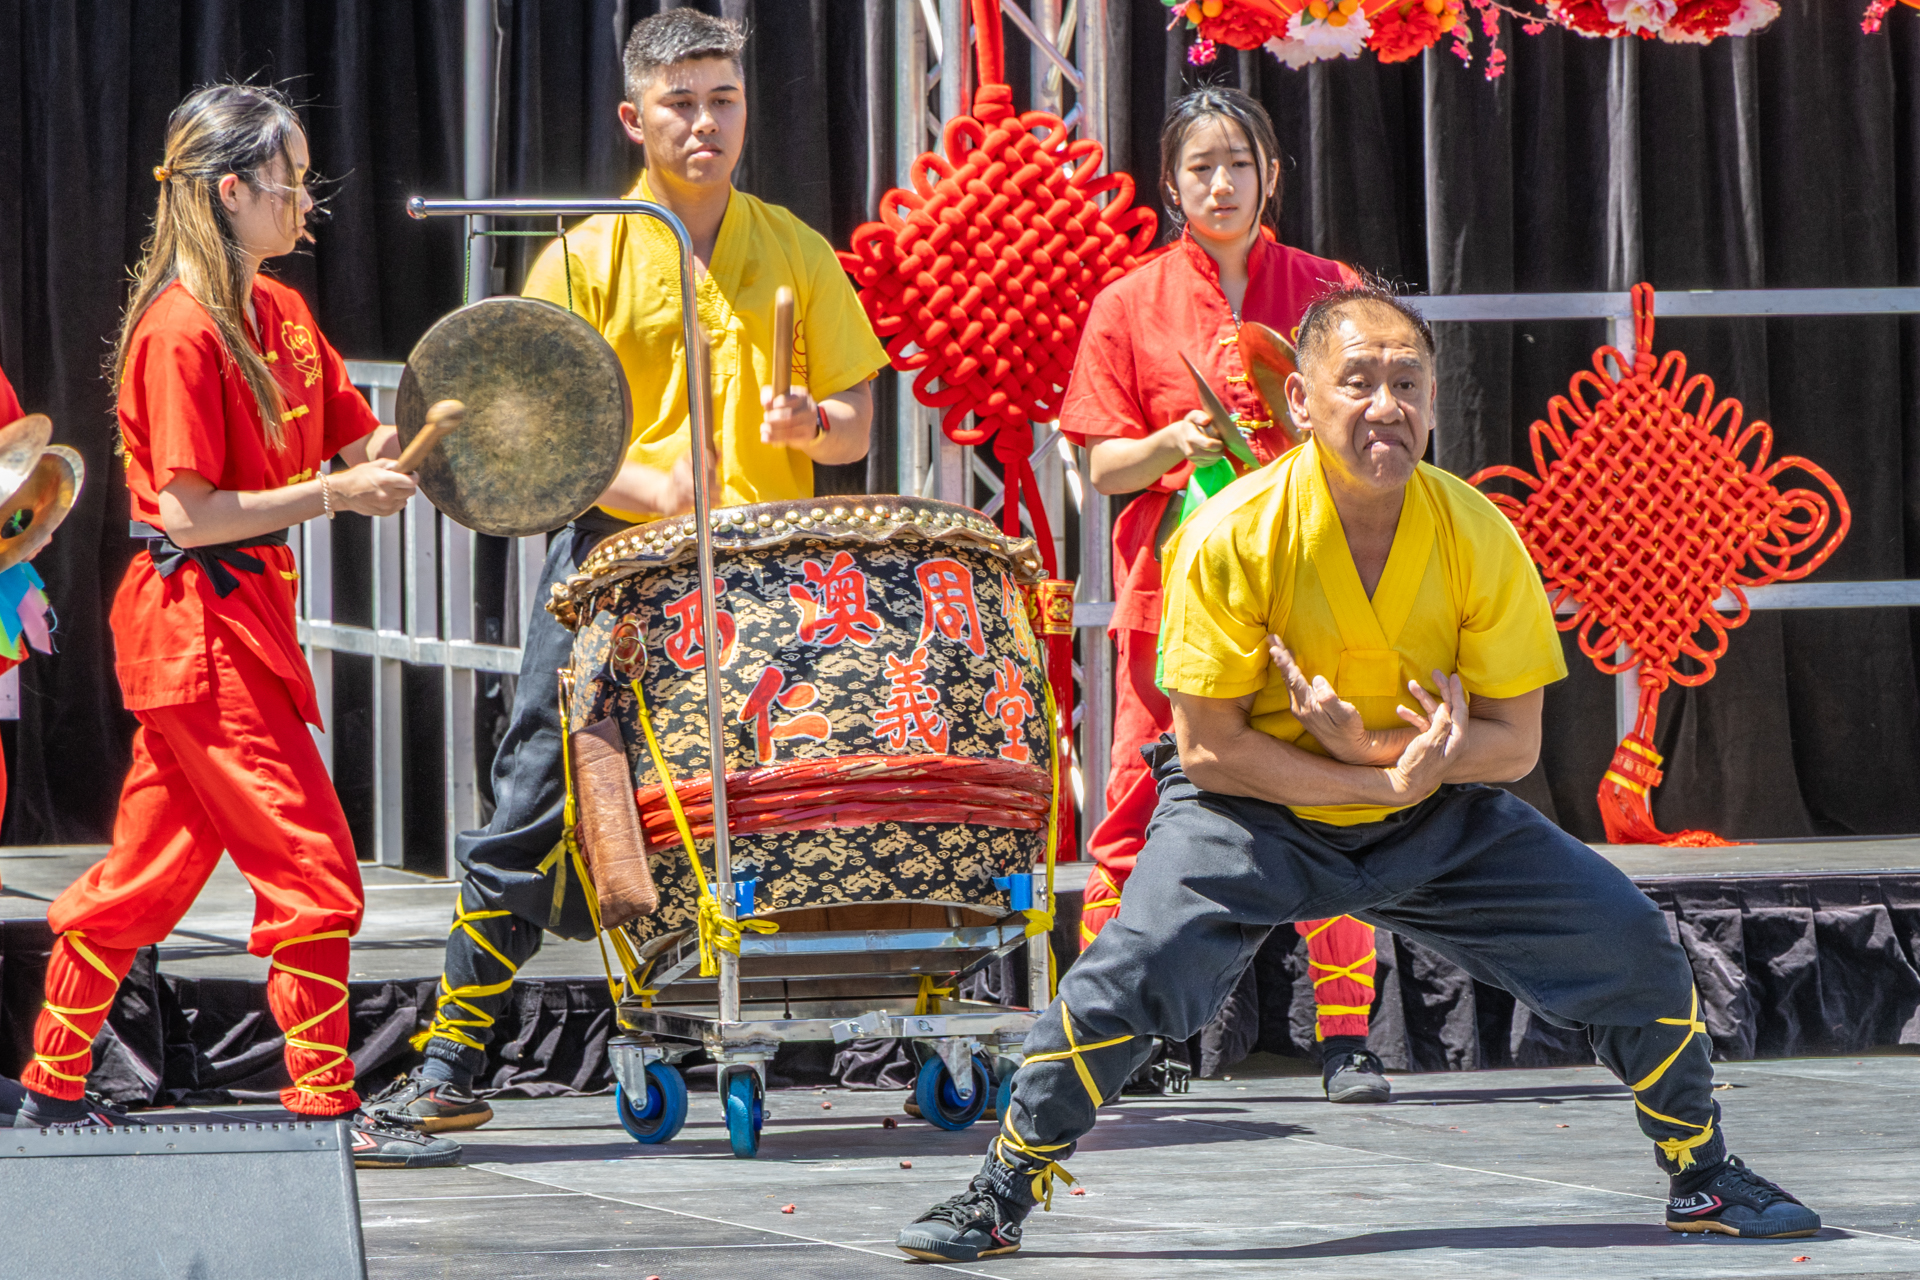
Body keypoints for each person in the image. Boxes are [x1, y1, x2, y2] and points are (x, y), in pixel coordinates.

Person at [896, 284, 1821, 1262]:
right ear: (1299, 398)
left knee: (1632, 939)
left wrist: (1396, 769)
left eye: (1408, 382)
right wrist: (1367, 773)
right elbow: (1207, 749)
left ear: (1433, 401)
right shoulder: (1228, 532)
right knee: (1129, 974)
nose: (1386, 403)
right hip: (1252, 813)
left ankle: (1702, 1172)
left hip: (1434, 812)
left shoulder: (1479, 533)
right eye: (1359, 380)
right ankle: (1001, 1186)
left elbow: (1513, 744)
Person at [370, 10, 888, 1133]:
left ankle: (799, 1023)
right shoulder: (584, 254)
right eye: (681, 103)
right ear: (634, 117)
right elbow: (535, 439)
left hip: (765, 581)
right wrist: (652, 488)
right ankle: (455, 1058)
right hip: (615, 569)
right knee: (536, 792)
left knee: (771, 806)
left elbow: (851, 423)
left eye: (724, 99)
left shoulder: (795, 243)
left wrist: (815, 418)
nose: (706, 123)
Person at [6, 84, 459, 1168]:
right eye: (291, 178)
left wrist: (475, 413)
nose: (309, 198)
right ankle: (322, 1109)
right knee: (314, 868)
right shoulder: (177, 329)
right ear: (230, 190)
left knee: (147, 876)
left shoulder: (286, 314)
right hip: (197, 629)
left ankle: (51, 1087)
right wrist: (332, 498)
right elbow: (189, 513)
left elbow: (363, 446)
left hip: (243, 620)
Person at [1061, 86, 1384, 1103]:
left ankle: (1345, 1037)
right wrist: (1170, 444)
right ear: (1171, 183)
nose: (1220, 183)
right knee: (1138, 809)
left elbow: (1384, 433)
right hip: (1174, 601)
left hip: (1313, 599)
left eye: (1238, 163)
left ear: (1271, 175)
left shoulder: (1333, 295)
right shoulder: (1128, 304)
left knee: (1336, 798)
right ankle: (1118, 1033)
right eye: (1199, 166)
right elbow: (1103, 463)